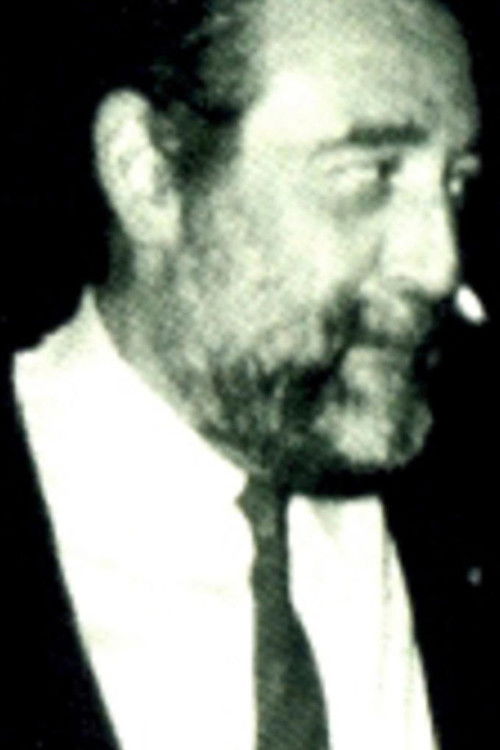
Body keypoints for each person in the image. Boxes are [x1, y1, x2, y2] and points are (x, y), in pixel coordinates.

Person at [0, 0, 496, 747]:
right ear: (147, 174)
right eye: (369, 173)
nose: (439, 265)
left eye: (455, 182)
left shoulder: (472, 520)